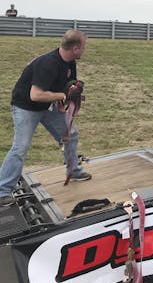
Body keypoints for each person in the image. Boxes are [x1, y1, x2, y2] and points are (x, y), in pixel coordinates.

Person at [0, 30, 92, 207]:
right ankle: (2, 191)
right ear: (75, 48)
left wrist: (67, 98)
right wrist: (60, 96)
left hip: (47, 106)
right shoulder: (48, 63)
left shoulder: (70, 62)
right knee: (21, 147)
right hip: (25, 106)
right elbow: (35, 95)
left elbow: (67, 87)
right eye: (83, 48)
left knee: (70, 134)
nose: (84, 51)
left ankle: (74, 171)